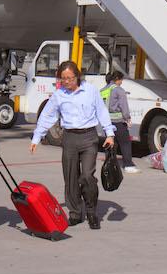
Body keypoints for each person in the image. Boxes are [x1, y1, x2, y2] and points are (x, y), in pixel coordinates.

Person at [29, 61, 115, 230]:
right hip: (69, 138)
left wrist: (109, 133)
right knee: (70, 178)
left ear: (77, 76)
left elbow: (101, 111)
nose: (66, 82)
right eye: (63, 79)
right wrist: (36, 138)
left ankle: (91, 211)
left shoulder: (90, 90)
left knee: (87, 176)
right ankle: (75, 213)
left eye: (70, 78)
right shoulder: (59, 95)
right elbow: (47, 116)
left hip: (89, 136)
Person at [100, 71, 139, 174]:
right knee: (125, 142)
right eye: (121, 80)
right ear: (117, 79)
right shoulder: (119, 90)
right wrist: (127, 118)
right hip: (118, 121)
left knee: (111, 143)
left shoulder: (103, 90)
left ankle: (109, 165)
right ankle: (128, 165)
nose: (121, 82)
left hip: (107, 122)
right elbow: (123, 106)